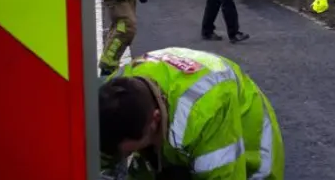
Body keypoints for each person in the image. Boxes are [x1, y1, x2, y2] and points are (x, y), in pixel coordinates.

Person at [99, 47, 285, 179]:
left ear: (155, 119)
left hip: (248, 144)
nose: (123, 158)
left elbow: (222, 176)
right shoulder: (116, 89)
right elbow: (103, 158)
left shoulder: (206, 114)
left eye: (131, 151)